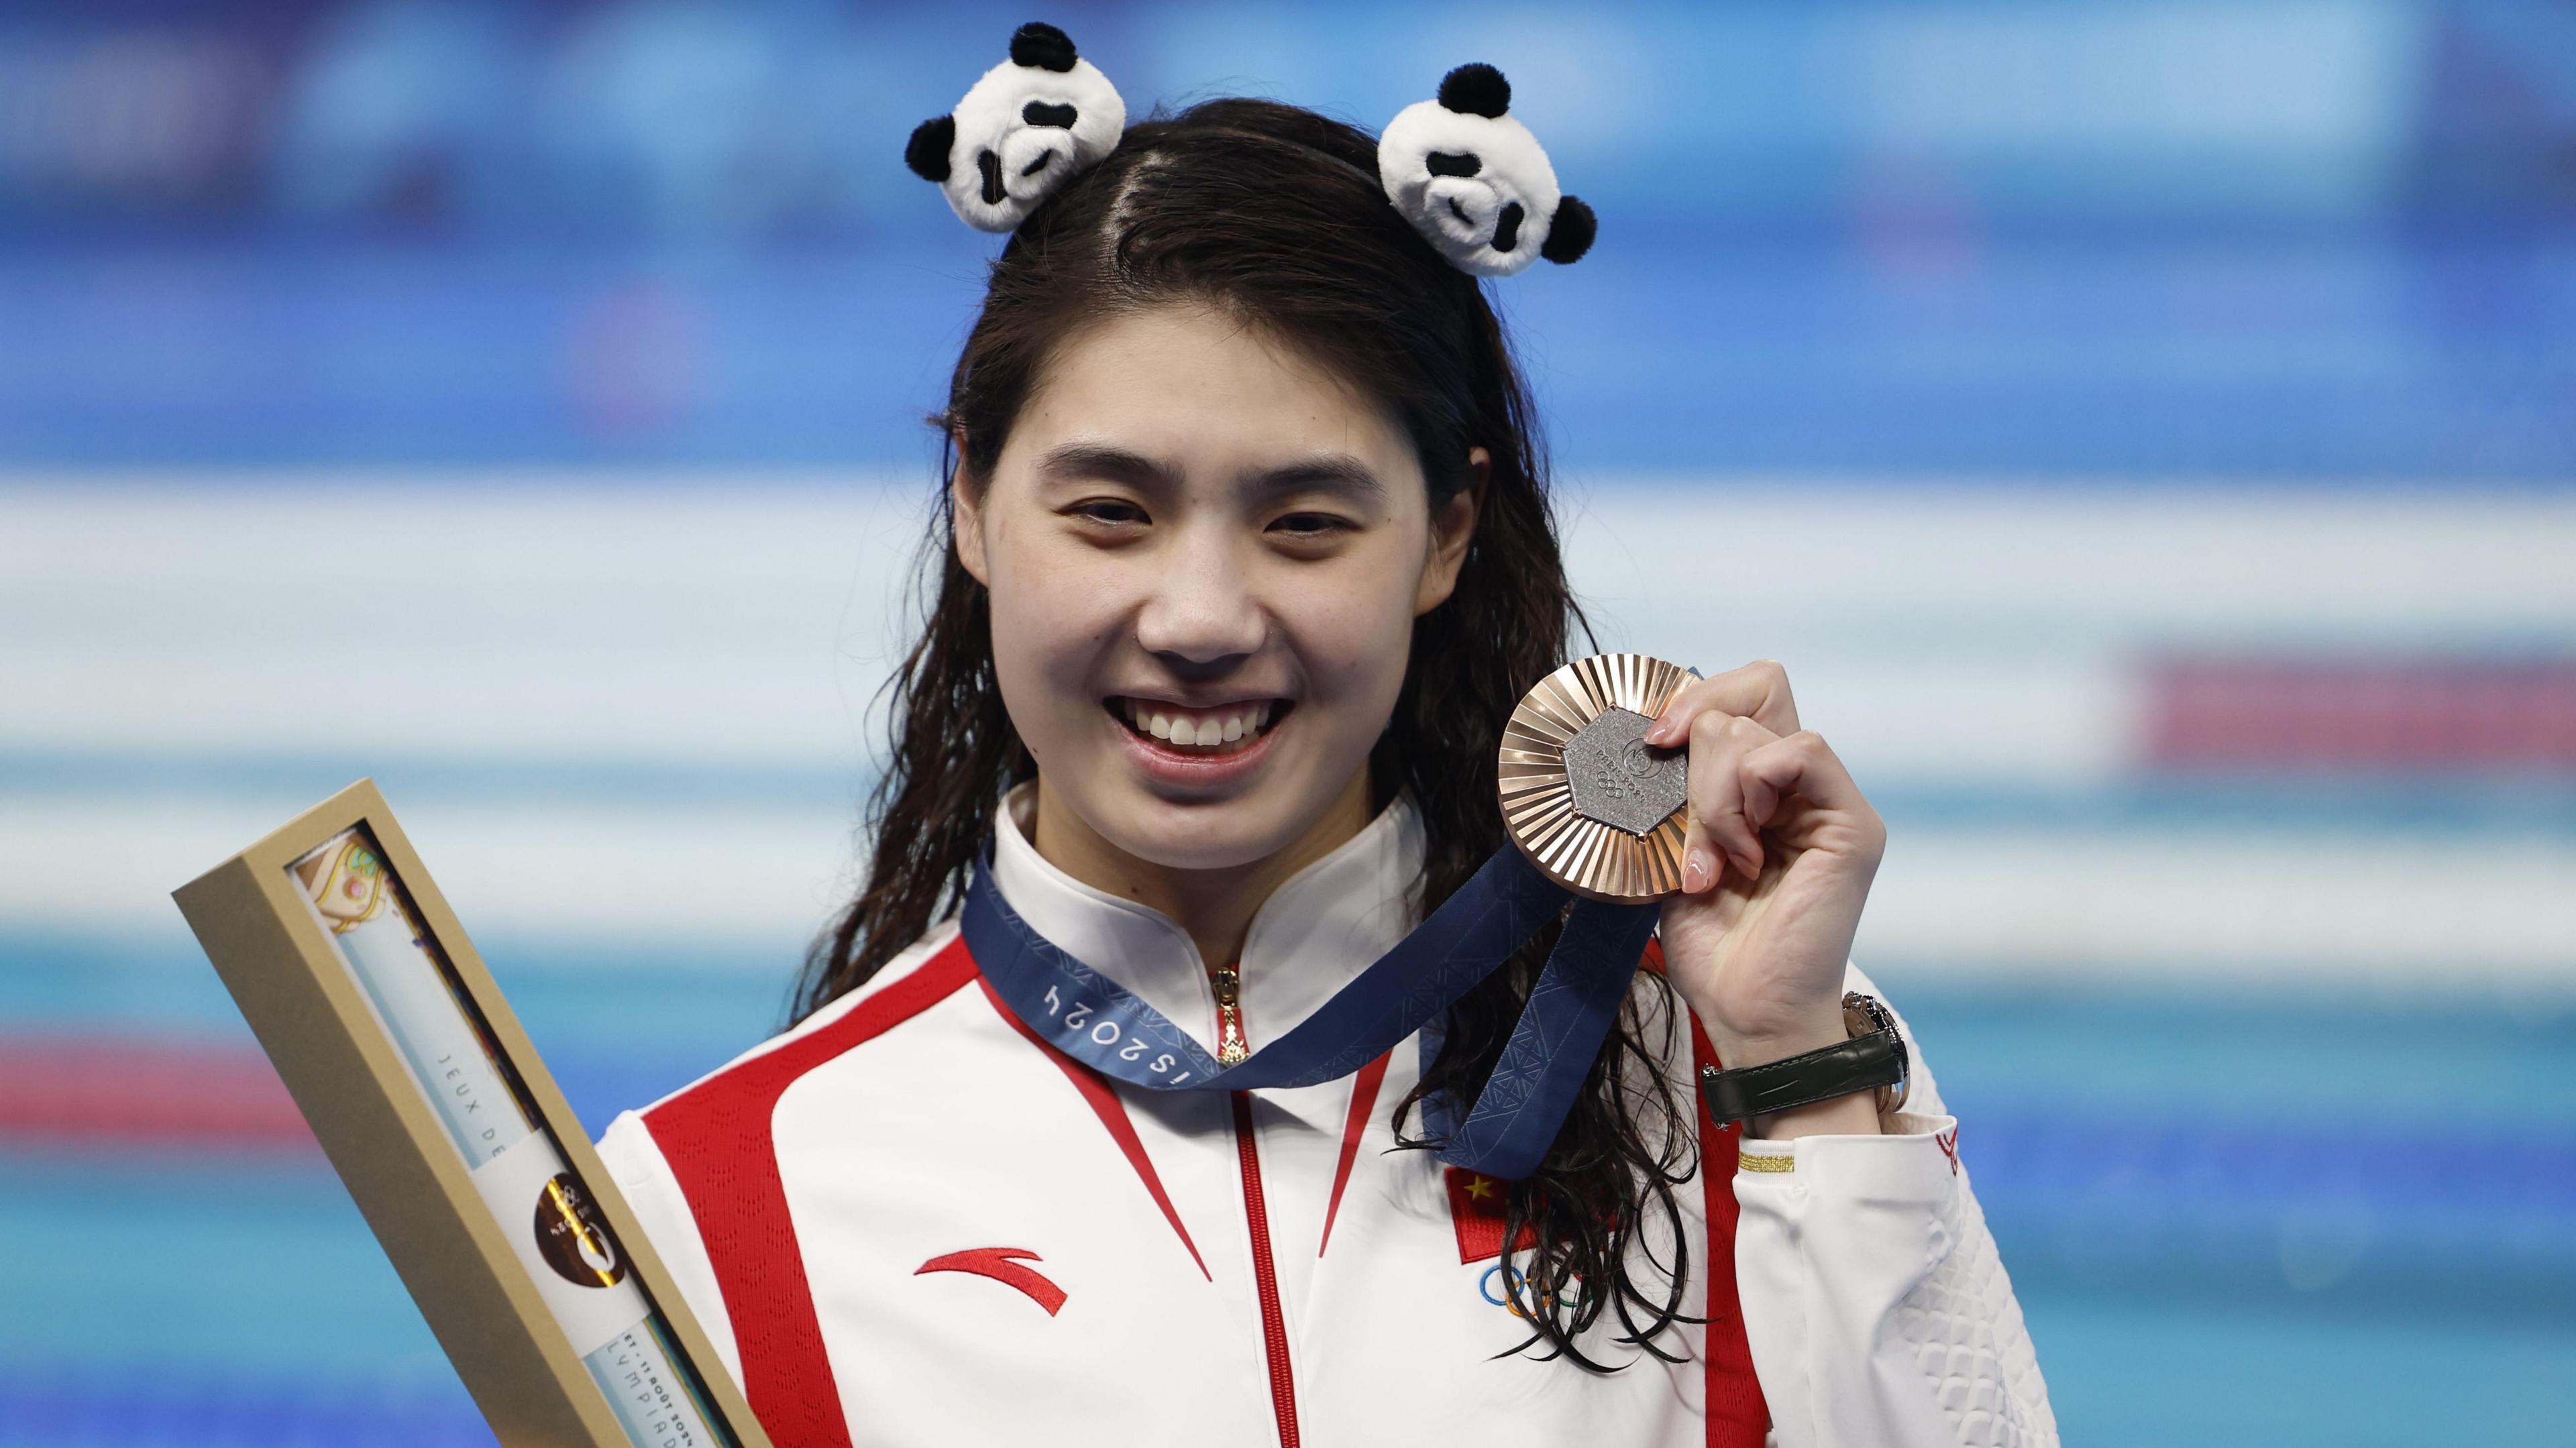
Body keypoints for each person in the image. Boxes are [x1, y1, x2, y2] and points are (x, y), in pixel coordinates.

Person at [598, 30, 2055, 1448]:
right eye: (1110, 512)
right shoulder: (716, 1205)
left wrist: (1799, 1065)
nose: (1202, 617)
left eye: (1307, 525)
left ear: (1447, 536)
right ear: (973, 499)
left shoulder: (1746, 1057)